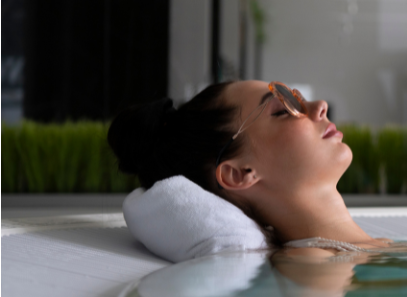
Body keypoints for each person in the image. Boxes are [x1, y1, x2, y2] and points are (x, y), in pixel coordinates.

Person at [109, 80, 391, 254]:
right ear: (240, 173)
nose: (320, 106)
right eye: (283, 110)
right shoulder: (314, 263)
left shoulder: (353, 254)